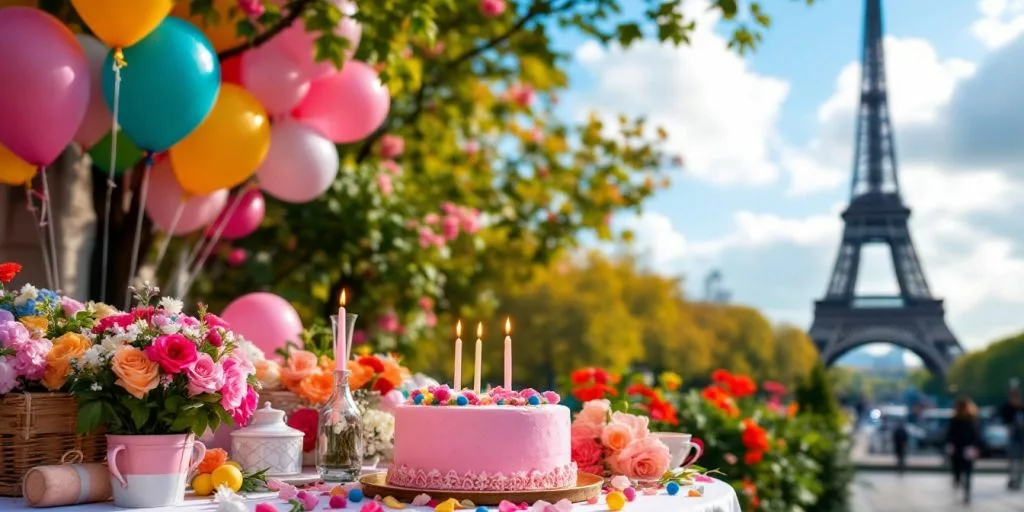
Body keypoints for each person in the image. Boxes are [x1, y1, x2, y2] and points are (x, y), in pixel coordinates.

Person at [946, 396, 983, 504]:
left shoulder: (970, 419)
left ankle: (966, 492)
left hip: (965, 448)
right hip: (962, 447)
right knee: (963, 470)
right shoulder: (957, 419)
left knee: (966, 471)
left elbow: (975, 435)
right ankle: (962, 486)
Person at [1000, 384, 1024, 490]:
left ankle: (1017, 480)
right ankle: (1013, 480)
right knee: (1014, 460)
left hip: (1021, 437)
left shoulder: (1021, 407)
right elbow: (1003, 419)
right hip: (1013, 437)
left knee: (1019, 462)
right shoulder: (1007, 407)